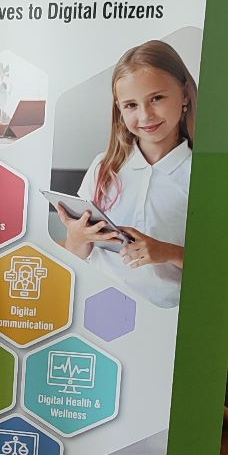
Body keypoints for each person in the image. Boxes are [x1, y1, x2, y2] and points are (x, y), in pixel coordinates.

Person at [57, 40, 197, 308]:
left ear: (185, 96)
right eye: (131, 105)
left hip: (168, 316)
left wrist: (167, 252)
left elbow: (217, 265)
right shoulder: (103, 167)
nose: (145, 116)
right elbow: (76, 255)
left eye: (157, 98)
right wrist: (76, 238)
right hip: (97, 309)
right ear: (119, 109)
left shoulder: (201, 175)